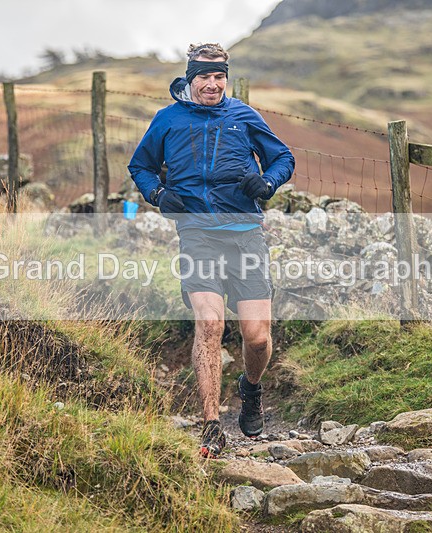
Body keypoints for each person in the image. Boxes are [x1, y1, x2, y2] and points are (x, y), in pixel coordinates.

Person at [128, 43, 295, 458]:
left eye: (219, 76)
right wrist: (158, 194)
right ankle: (210, 425)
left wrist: (267, 183)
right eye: (204, 76)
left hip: (245, 235)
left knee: (256, 338)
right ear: (190, 79)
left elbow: (283, 158)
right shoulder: (168, 120)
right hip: (198, 235)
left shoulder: (243, 115)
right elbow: (141, 167)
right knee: (210, 324)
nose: (213, 84)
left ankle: (251, 390)